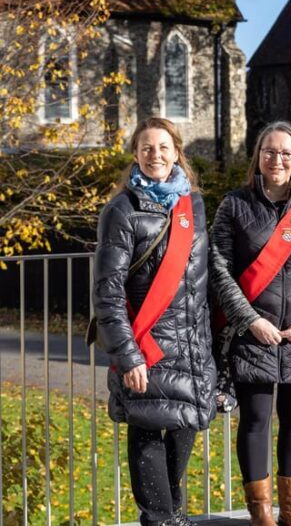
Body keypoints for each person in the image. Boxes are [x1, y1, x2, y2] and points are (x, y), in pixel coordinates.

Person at [209, 121, 291, 526]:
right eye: (270, 151)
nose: (277, 160)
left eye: (286, 153)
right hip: (253, 333)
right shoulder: (234, 205)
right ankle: (261, 513)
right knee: (255, 420)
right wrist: (249, 320)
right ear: (258, 157)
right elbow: (219, 269)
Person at [93, 117, 216, 526]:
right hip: (147, 346)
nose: (155, 155)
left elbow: (204, 280)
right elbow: (107, 293)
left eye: (163, 147)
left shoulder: (193, 206)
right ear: (135, 153)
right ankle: (161, 519)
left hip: (191, 346)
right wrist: (129, 356)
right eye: (146, 148)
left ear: (177, 152)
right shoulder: (121, 211)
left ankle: (170, 514)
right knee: (147, 430)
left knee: (184, 429)